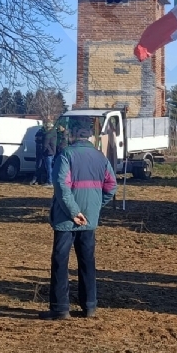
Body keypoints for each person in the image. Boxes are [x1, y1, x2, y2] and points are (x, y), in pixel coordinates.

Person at [43, 116, 117, 321]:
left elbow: (61, 186)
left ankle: (60, 308)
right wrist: (94, 208)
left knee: (60, 262)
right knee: (87, 262)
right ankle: (89, 306)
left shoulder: (66, 155)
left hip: (66, 219)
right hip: (89, 219)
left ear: (73, 135)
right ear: (91, 137)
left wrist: (74, 212)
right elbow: (111, 187)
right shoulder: (101, 158)